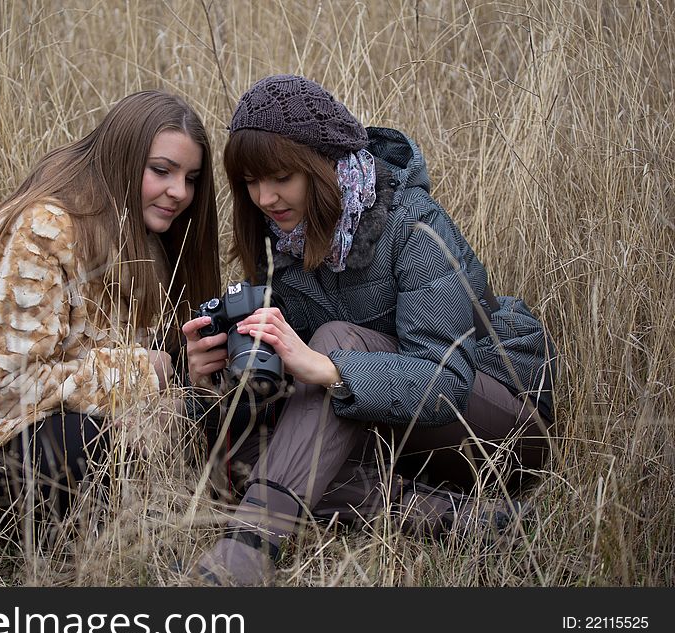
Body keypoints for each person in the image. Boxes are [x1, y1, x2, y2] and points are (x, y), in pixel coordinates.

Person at [182, 75, 556, 585]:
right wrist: (216, 377)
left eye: (281, 177)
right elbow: (278, 397)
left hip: (496, 427)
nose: (265, 198)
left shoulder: (410, 224)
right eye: (249, 182)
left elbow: (447, 383)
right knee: (240, 457)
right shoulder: (279, 245)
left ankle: (248, 551)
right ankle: (447, 516)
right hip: (388, 432)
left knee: (336, 340)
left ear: (323, 164)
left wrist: (328, 367)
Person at [0, 90, 220, 533]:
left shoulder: (143, 235)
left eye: (191, 178)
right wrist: (147, 374)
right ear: (123, 158)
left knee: (215, 410)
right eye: (161, 171)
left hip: (21, 428)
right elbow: (7, 387)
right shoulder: (42, 228)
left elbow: (110, 365)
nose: (179, 192)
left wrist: (187, 372)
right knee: (79, 445)